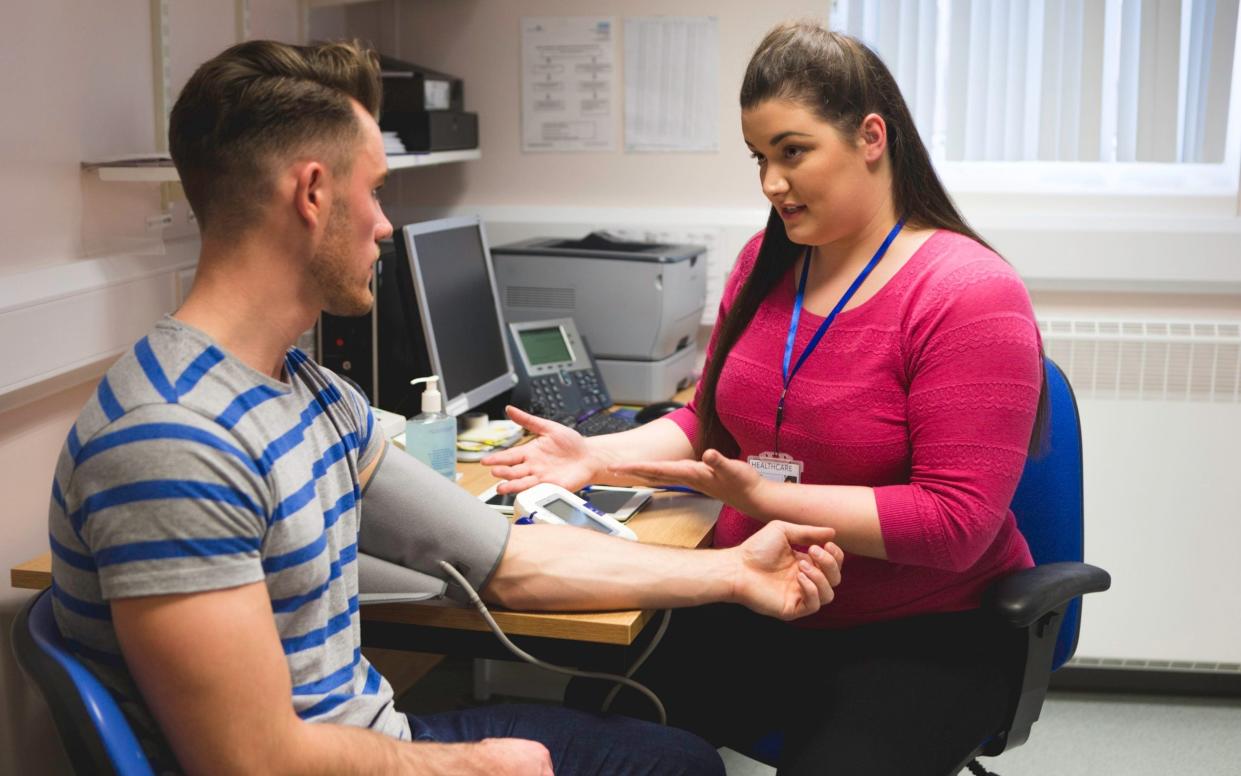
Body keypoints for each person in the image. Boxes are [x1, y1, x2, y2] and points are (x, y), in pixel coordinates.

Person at [46, 39, 846, 776]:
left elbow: (506, 560)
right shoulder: (171, 441)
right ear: (314, 193)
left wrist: (733, 571)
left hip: (369, 737)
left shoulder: (310, 394)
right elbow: (250, 760)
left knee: (670, 759)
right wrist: (473, 767)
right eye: (376, 191)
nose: (386, 226)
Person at [484, 21, 1046, 776]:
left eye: (792, 152)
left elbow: (956, 524)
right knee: (602, 738)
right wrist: (593, 457)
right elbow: (707, 422)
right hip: (760, 594)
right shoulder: (763, 263)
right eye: (759, 158)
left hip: (921, 631)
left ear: (870, 137)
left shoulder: (967, 293)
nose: (770, 184)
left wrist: (770, 498)